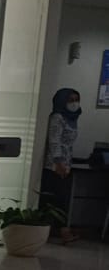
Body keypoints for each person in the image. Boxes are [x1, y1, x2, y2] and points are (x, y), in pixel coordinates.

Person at [41, 88, 81, 243]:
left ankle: (59, 231)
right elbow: (54, 140)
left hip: (66, 163)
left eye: (76, 100)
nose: (74, 103)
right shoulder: (57, 117)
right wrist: (58, 162)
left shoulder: (72, 118)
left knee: (62, 199)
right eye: (70, 100)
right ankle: (61, 231)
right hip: (54, 165)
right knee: (57, 199)